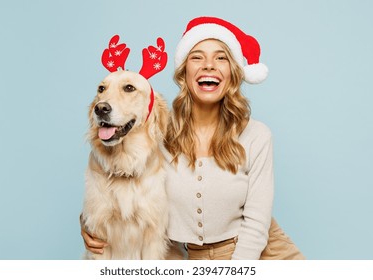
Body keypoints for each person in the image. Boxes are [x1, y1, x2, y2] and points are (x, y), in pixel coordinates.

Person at [81, 16, 304, 260]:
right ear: (184, 72)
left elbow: (257, 225)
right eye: (197, 57)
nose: (209, 65)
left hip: (261, 252)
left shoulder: (257, 135)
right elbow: (117, 178)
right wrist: (89, 222)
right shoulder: (156, 132)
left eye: (221, 58)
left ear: (233, 73)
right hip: (193, 259)